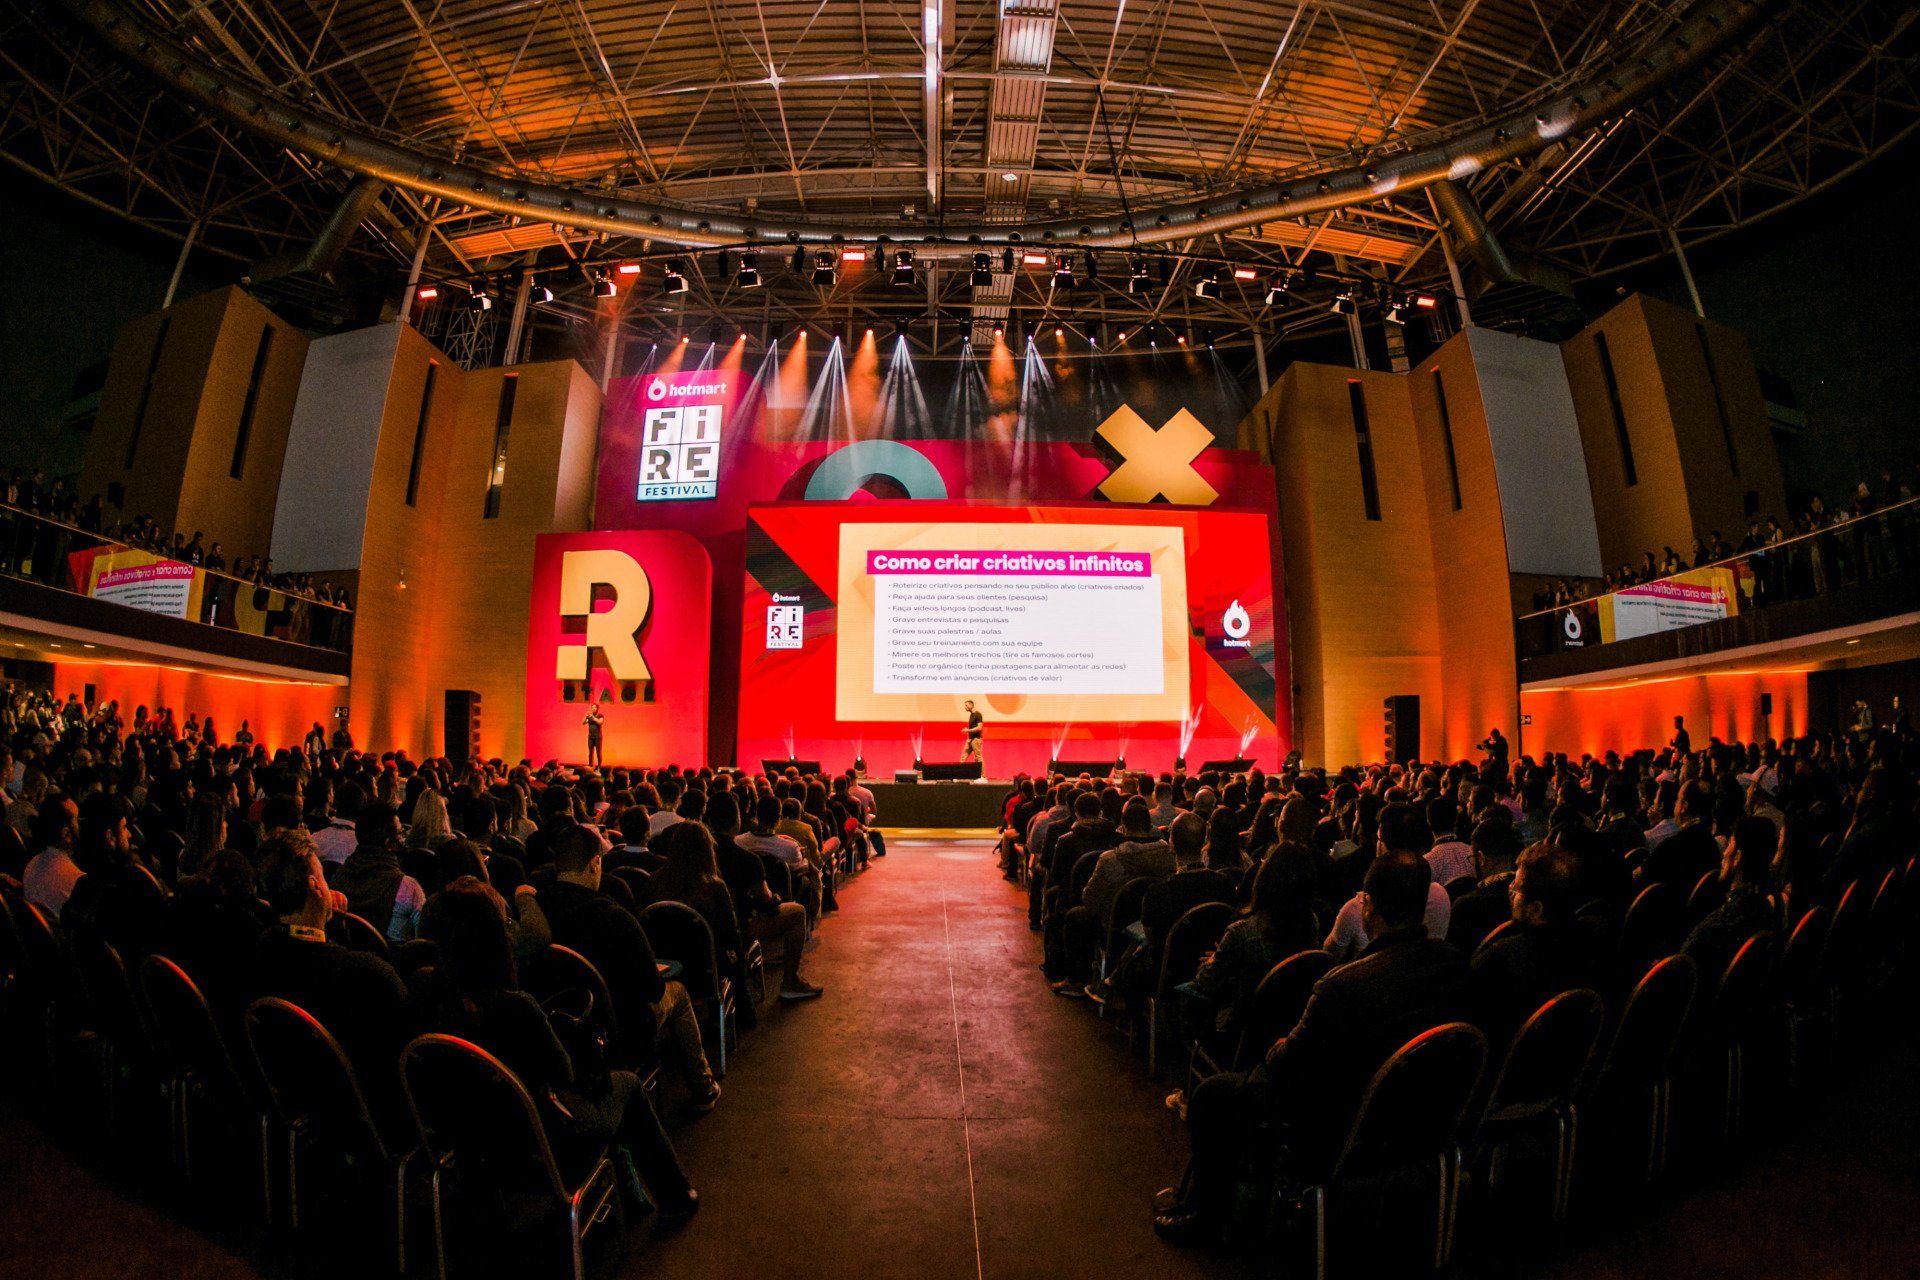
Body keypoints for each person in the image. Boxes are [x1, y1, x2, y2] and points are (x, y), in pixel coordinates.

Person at [1155, 850, 1477, 1242]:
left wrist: (1277, 1046)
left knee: (1210, 1095)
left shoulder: (1344, 985)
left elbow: (1285, 1066)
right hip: (1422, 1119)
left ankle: (1207, 1214)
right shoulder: (1458, 964)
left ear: (1369, 907)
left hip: (1339, 1126)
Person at [417, 877, 698, 1219]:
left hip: (466, 1141)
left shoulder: (423, 993)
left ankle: (634, 1194)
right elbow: (564, 1074)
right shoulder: (515, 1008)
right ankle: (677, 1197)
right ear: (493, 938)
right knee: (625, 1085)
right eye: (506, 924)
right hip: (544, 1145)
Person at [540, 825, 721, 1111]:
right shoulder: (614, 917)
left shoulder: (536, 910)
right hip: (619, 1023)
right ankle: (703, 1086)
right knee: (678, 993)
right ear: (594, 864)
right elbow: (653, 988)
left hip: (555, 1024)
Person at [249, 829, 413, 1106]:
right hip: (361, 1108)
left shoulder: (262, 950)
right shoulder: (368, 975)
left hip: (296, 1091)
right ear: (315, 885)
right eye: (323, 878)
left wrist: (330, 922)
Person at [1471, 843, 1605, 1043]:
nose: (1510, 889)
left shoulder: (1500, 958)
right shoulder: (1597, 934)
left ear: (1536, 909)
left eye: (1515, 888)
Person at [706, 793, 821, 1001]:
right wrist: (776, 897)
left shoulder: (702, 855)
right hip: (739, 929)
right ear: (737, 819)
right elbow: (767, 902)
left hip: (706, 931)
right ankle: (790, 981)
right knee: (797, 912)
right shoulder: (746, 859)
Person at [1322, 803, 1452, 961]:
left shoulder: (1358, 908)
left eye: (1378, 839)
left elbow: (1329, 956)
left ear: (1383, 846)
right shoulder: (1441, 895)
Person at [1683, 815, 1782, 982]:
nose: (1724, 853)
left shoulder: (1718, 925)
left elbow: (1683, 968)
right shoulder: (1767, 906)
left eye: (1730, 844)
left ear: (1737, 857)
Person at [330, 802, 427, 942]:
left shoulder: (338, 876)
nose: (403, 838)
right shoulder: (408, 888)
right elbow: (423, 939)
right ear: (389, 844)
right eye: (400, 833)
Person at [22, 796, 82, 919]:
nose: (80, 825)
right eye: (76, 820)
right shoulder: (77, 881)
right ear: (66, 834)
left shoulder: (32, 864)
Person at [583, 701, 606, 768]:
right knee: (590, 752)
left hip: (598, 737)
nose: (593, 708)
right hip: (590, 737)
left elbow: (600, 722)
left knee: (598, 752)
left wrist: (592, 717)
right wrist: (586, 717)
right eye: (592, 707)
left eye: (594, 707)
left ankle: (599, 766)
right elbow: (583, 723)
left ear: (597, 708)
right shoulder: (590, 716)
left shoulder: (600, 715)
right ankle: (590, 765)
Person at [962, 699, 984, 766]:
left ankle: (982, 775)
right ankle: (960, 774)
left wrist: (968, 730)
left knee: (978, 758)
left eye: (966, 705)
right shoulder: (971, 715)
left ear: (971, 705)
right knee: (963, 757)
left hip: (976, 739)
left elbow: (979, 727)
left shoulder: (978, 714)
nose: (965, 707)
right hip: (970, 739)